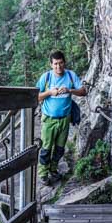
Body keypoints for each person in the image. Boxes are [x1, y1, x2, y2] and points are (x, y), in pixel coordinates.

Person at [36, 50, 87, 184]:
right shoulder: (46, 78)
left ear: (64, 63)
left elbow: (83, 91)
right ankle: (43, 173)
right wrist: (49, 93)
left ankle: (53, 169)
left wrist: (70, 90)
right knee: (46, 148)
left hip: (65, 118)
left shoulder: (71, 76)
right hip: (49, 119)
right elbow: (35, 96)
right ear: (51, 65)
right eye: (55, 64)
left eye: (61, 63)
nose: (58, 67)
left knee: (59, 148)